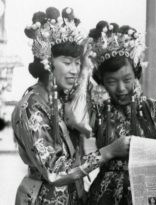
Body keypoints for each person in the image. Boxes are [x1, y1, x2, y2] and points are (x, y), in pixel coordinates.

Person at [12, 7, 130, 205]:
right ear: (48, 62)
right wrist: (107, 152)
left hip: (74, 196)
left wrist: (86, 74)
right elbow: (53, 170)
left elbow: (86, 122)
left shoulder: (67, 98)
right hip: (43, 198)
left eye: (77, 63)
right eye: (67, 62)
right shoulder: (30, 106)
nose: (74, 70)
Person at [87, 21, 156, 205]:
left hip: (147, 193)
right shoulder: (96, 111)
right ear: (102, 81)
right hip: (105, 197)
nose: (121, 89)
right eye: (112, 81)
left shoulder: (155, 110)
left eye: (127, 79)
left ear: (136, 75)